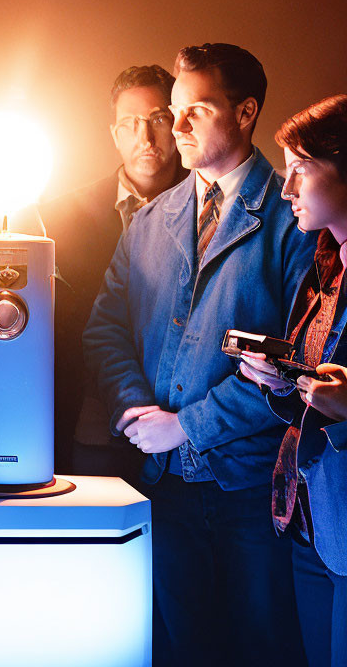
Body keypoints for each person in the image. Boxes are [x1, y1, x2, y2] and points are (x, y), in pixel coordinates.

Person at [82, 43, 315, 665]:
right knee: (179, 649)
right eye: (174, 110)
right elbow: (104, 328)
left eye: (196, 110)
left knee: (263, 648)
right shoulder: (152, 220)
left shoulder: (296, 221)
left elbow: (298, 361)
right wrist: (137, 413)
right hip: (162, 487)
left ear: (245, 113)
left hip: (250, 489)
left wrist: (187, 424)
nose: (176, 126)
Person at [238, 95, 347, 667]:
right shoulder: (324, 269)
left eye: (301, 169)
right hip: (312, 515)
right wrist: (282, 385)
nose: (286, 188)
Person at [45, 65, 187, 484]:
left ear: (178, 120)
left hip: (178, 419)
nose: (145, 138)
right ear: (115, 134)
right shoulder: (61, 217)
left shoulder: (209, 208)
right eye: (130, 124)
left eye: (158, 119)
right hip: (88, 417)